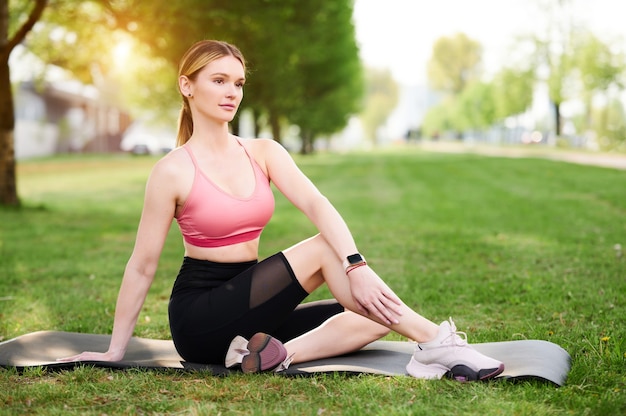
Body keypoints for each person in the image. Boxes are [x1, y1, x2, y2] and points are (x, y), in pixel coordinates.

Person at [59, 40, 504, 381]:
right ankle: (437, 344)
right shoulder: (171, 170)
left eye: (238, 83)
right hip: (202, 317)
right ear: (187, 85)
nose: (231, 92)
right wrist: (115, 349)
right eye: (218, 80)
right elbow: (142, 265)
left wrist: (358, 269)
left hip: (253, 308)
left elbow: (316, 202)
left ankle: (272, 355)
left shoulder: (263, 151)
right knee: (322, 249)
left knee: (371, 318)